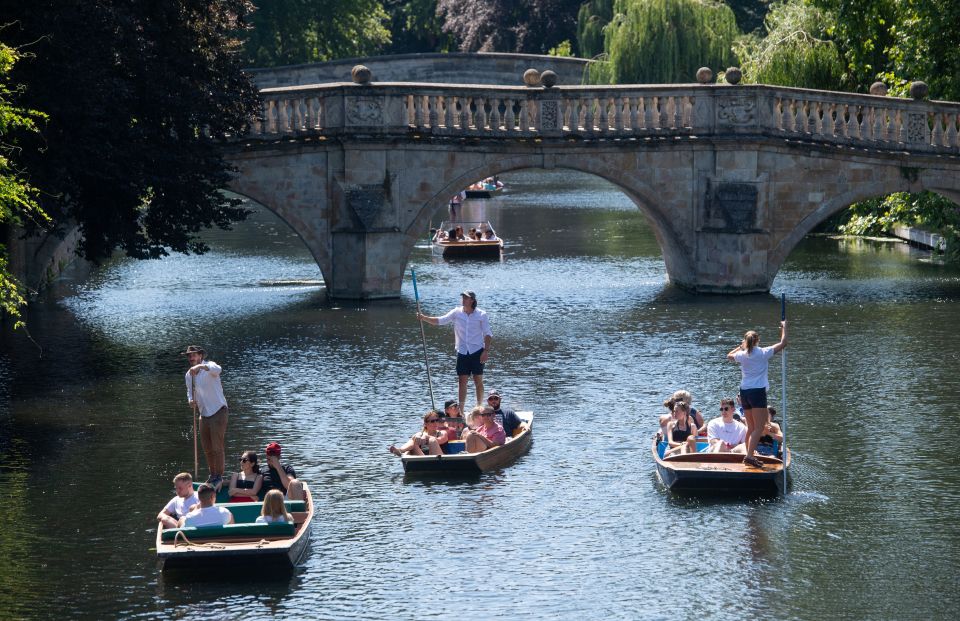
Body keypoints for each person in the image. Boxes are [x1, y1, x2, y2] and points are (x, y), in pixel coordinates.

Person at [417, 290, 493, 412]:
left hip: (477, 351)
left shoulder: (481, 315)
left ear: (472, 300)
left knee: (477, 380)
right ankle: (461, 410)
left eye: (466, 298)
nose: (463, 299)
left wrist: (486, 351)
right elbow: (440, 320)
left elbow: (488, 334)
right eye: (463, 297)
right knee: (462, 381)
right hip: (462, 352)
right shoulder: (456, 312)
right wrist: (424, 318)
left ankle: (479, 407)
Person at [727, 321, 787, 468]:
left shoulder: (742, 354)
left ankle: (749, 455)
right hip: (757, 392)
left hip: (744, 392)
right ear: (757, 341)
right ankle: (749, 456)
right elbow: (783, 343)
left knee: (751, 428)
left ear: (746, 342)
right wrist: (784, 327)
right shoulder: (763, 352)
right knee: (759, 428)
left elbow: (729, 356)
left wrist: (740, 347)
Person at [183, 344, 229, 488]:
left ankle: (219, 476)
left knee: (217, 447)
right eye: (190, 356)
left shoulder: (209, 366)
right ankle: (212, 474)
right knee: (207, 447)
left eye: (194, 355)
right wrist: (191, 401)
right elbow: (190, 392)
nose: (192, 358)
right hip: (204, 413)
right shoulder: (188, 375)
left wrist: (200, 367)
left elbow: (218, 369)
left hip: (218, 410)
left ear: (200, 356)